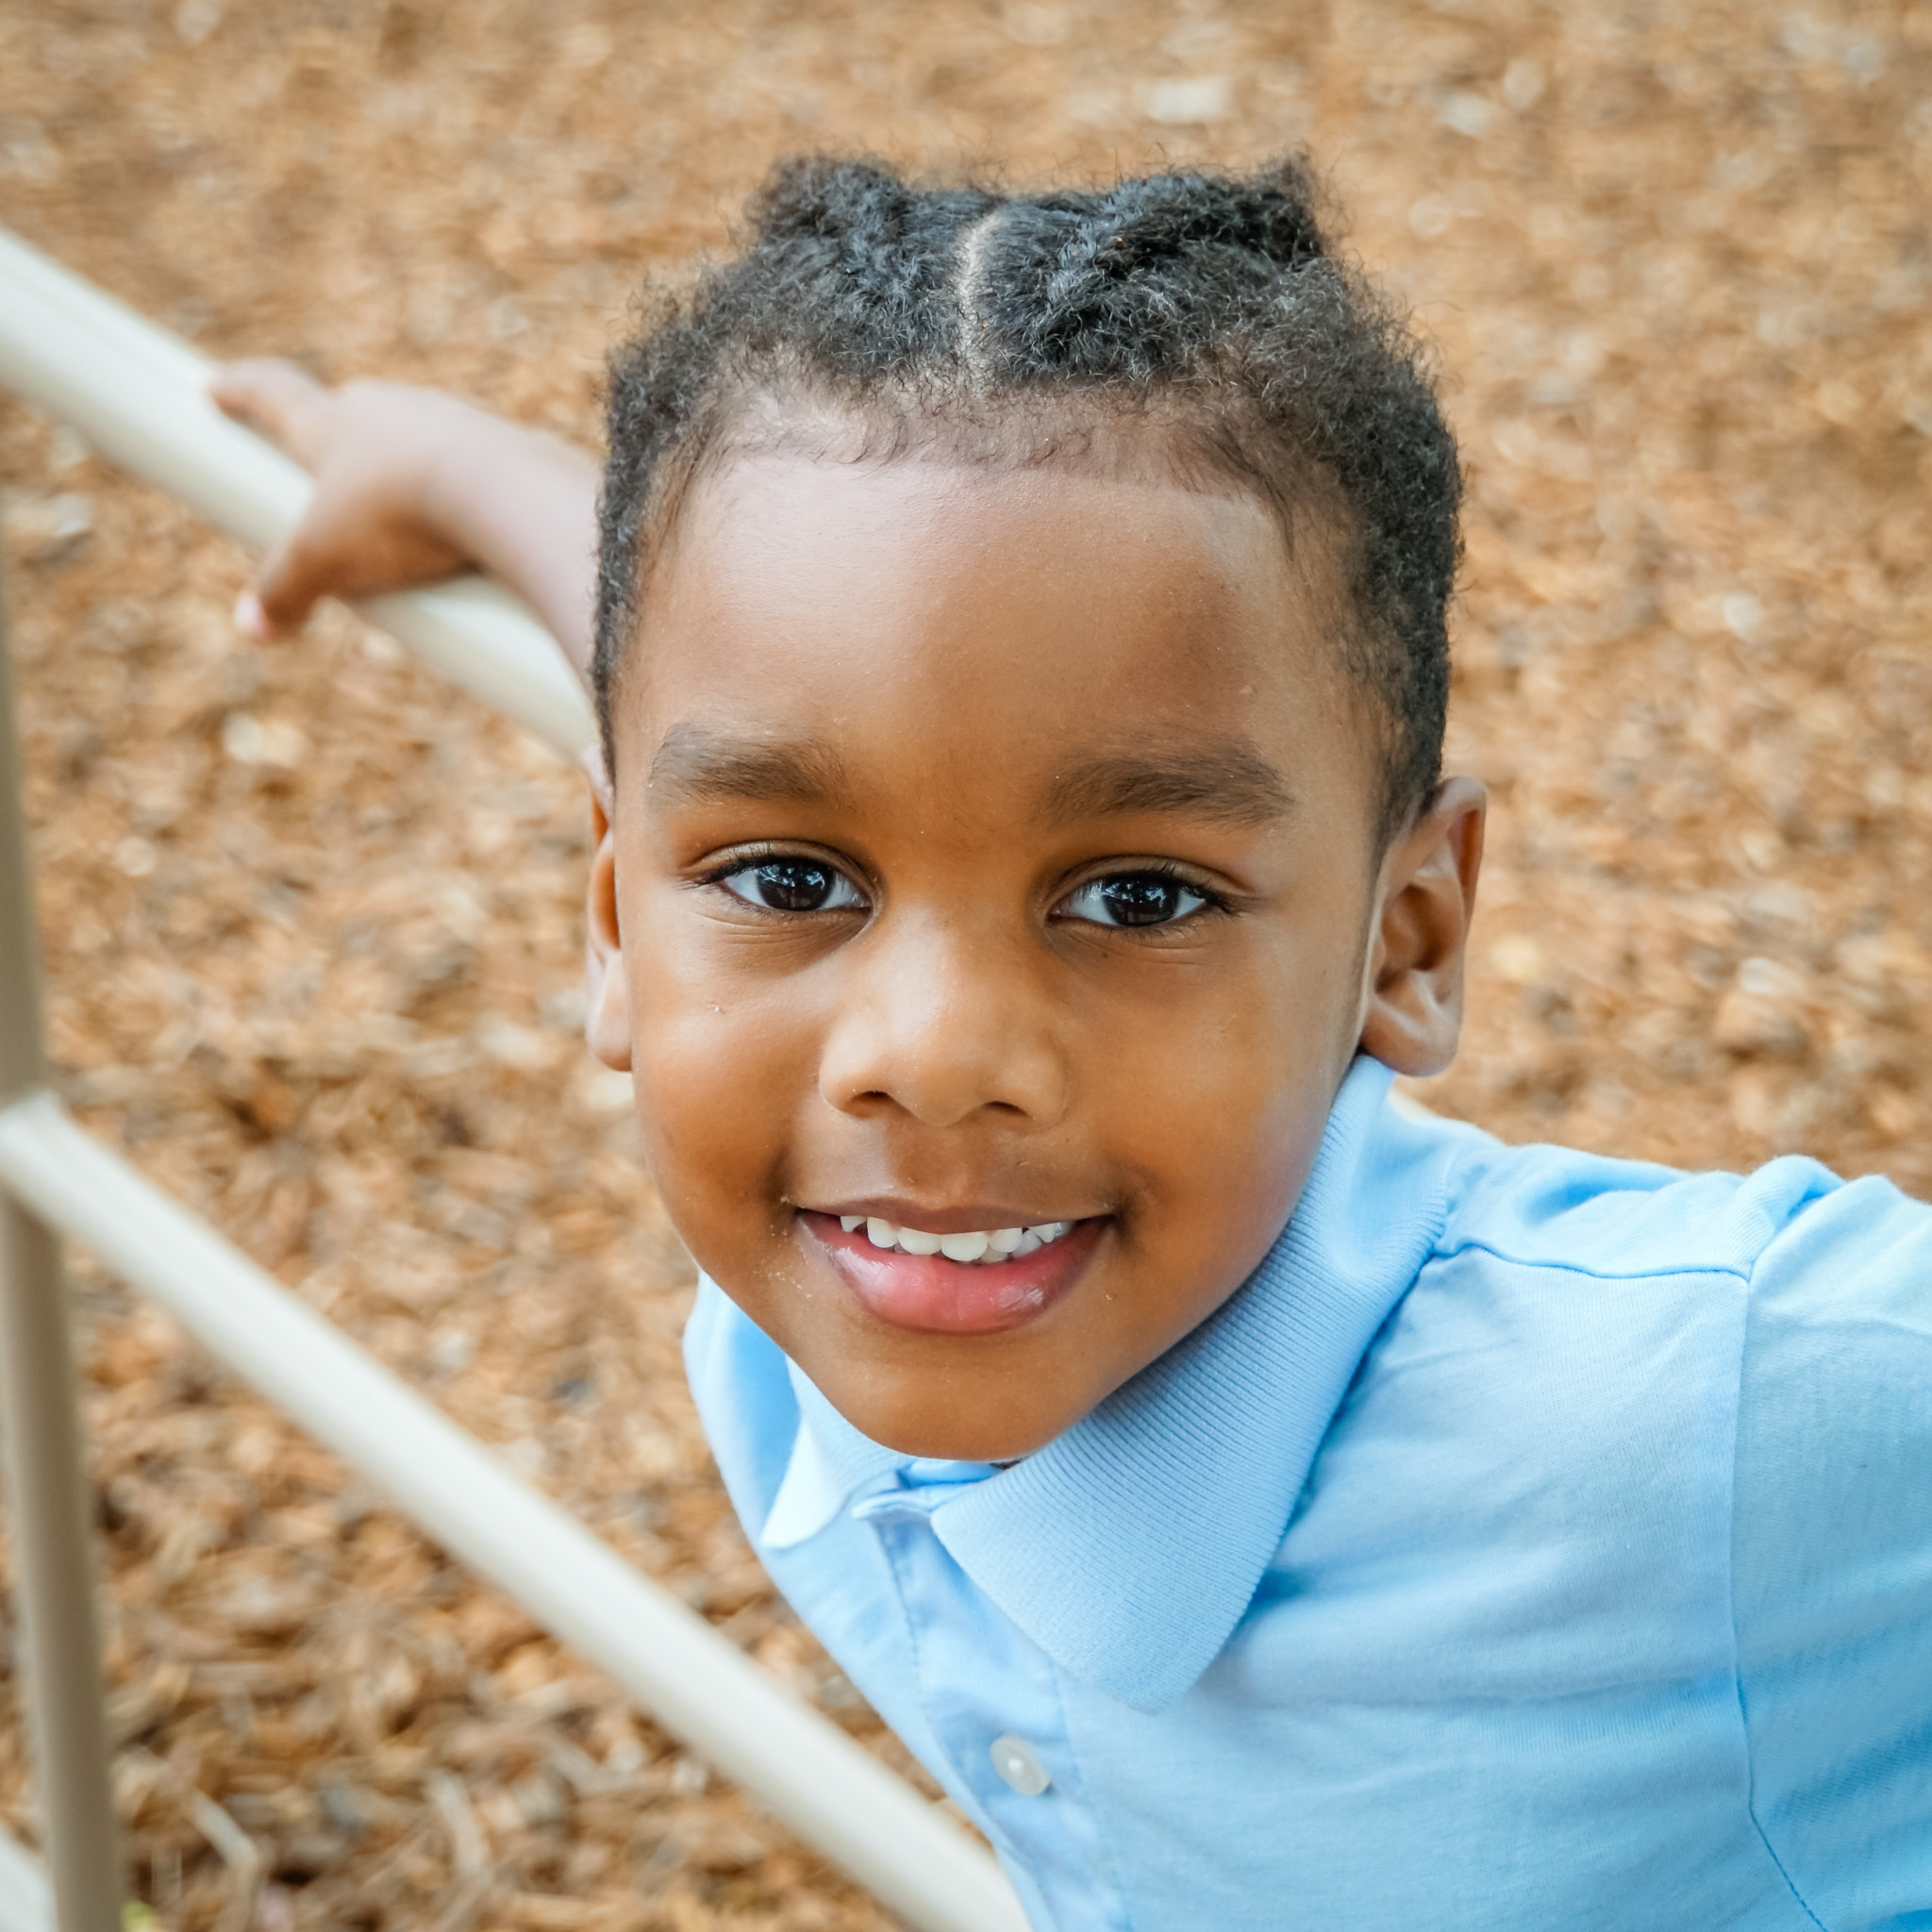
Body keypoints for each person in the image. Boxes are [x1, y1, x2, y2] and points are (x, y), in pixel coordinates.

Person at [211, 156, 1932, 1930]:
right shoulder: (832, 1267)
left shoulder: (1705, 1432)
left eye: (1136, 898)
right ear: (612, 924)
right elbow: (799, 677)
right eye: (796, 875)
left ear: (1406, 941)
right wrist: (457, 470)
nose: (934, 1059)